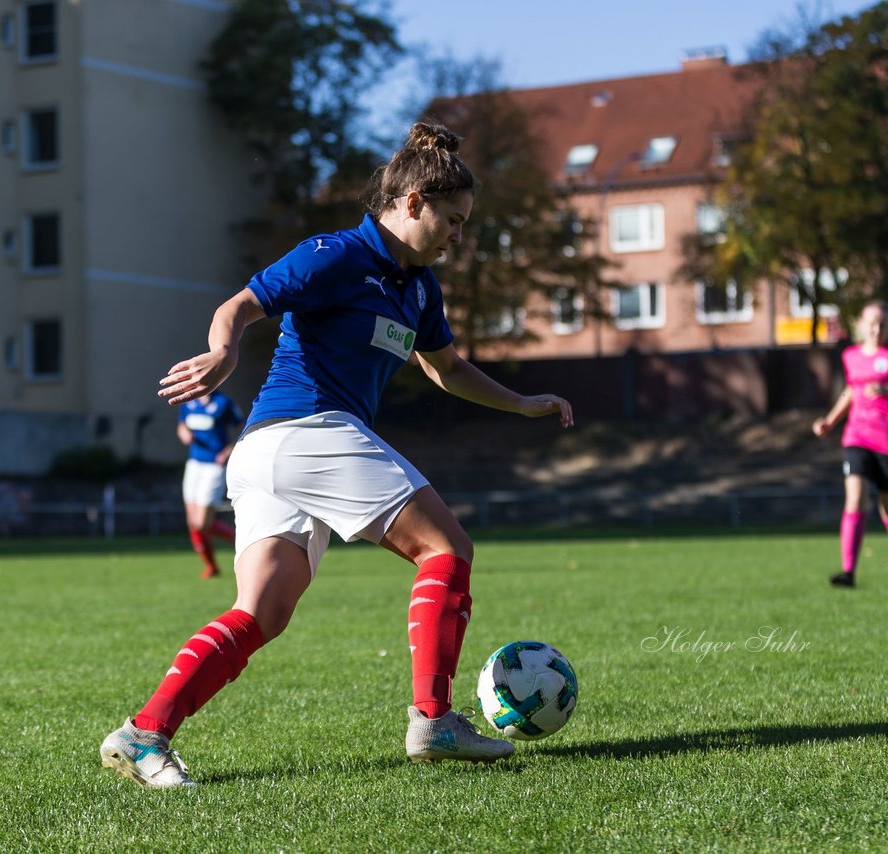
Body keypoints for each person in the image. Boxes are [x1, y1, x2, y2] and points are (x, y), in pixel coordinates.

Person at [99, 121, 574, 788]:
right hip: (304, 433)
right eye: (453, 221)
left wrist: (522, 402)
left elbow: (450, 370)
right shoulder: (336, 254)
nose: (458, 237)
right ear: (411, 203)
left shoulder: (419, 288)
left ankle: (143, 732)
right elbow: (241, 305)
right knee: (447, 549)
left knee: (261, 613)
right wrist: (224, 352)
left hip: (270, 452)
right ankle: (433, 719)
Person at [812, 301, 888, 588]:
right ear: (861, 325)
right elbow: (851, 390)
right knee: (855, 499)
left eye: (883, 324)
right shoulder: (851, 356)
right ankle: (848, 572)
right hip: (857, 437)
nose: (877, 329)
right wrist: (830, 420)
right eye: (872, 323)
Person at [177, 390, 244, 578]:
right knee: (193, 523)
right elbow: (182, 425)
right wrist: (184, 434)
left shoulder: (223, 402)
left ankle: (240, 539)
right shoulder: (189, 402)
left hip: (214, 466)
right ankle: (211, 566)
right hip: (194, 464)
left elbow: (243, 426)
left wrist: (228, 450)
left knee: (200, 522)